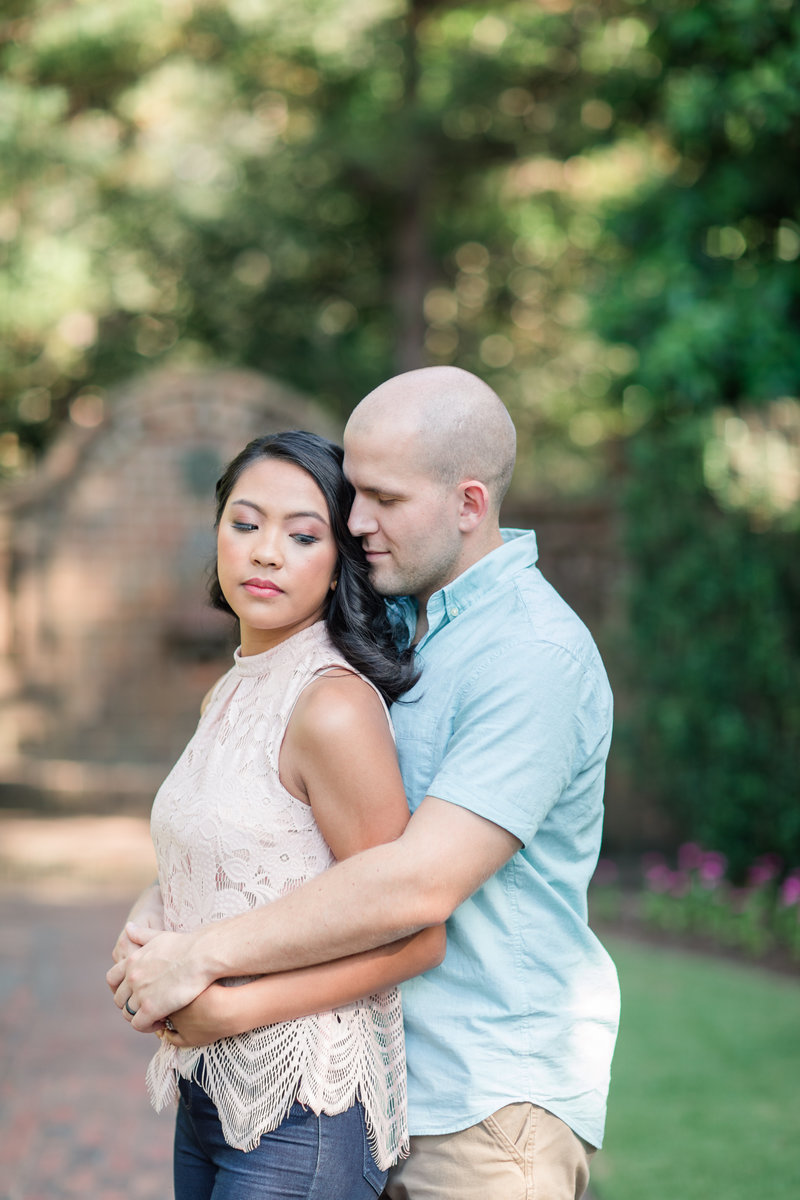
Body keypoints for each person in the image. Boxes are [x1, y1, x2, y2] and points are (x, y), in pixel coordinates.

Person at [109, 367, 620, 1200]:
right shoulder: (394, 619)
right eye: (353, 496)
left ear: (469, 502)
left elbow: (419, 887)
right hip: (361, 1082)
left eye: (382, 498)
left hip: (482, 1109)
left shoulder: (532, 656)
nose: (355, 521)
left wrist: (204, 962)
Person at [108, 430, 445, 1200]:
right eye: (245, 522)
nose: (265, 552)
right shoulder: (232, 688)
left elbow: (416, 933)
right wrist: (144, 932)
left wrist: (234, 1009)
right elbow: (226, 858)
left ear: (337, 568)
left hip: (306, 1109)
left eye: (302, 535)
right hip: (209, 1088)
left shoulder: (330, 705)